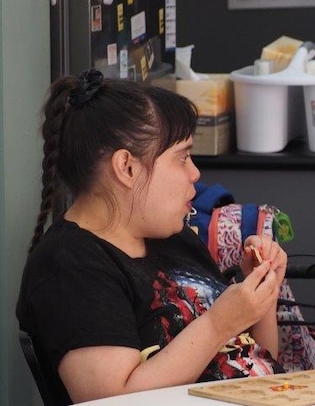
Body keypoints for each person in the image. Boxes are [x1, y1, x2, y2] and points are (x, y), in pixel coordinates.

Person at [16, 70, 287, 403]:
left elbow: (257, 365)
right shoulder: (69, 267)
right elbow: (113, 400)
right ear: (127, 168)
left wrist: (261, 294)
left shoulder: (173, 237)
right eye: (182, 157)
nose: (195, 173)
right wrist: (219, 323)